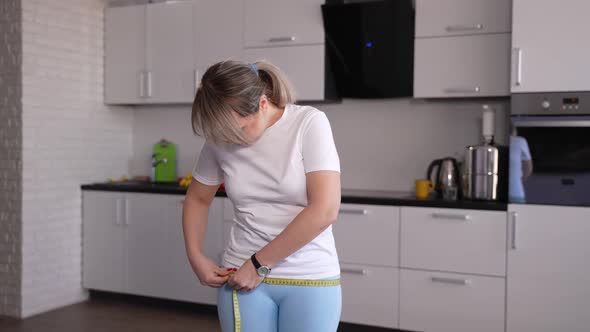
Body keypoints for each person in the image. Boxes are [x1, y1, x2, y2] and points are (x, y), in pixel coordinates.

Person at [181, 60, 342, 332]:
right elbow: (197, 198)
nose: (230, 141)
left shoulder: (308, 123)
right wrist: (195, 256)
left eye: (240, 130)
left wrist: (258, 265)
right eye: (223, 135)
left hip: (308, 276)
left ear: (263, 104)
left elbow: (324, 210)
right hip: (240, 277)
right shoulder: (221, 137)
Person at [509, 125, 533, 203]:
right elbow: (528, 168)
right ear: (514, 131)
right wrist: (517, 180)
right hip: (515, 192)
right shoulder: (520, 141)